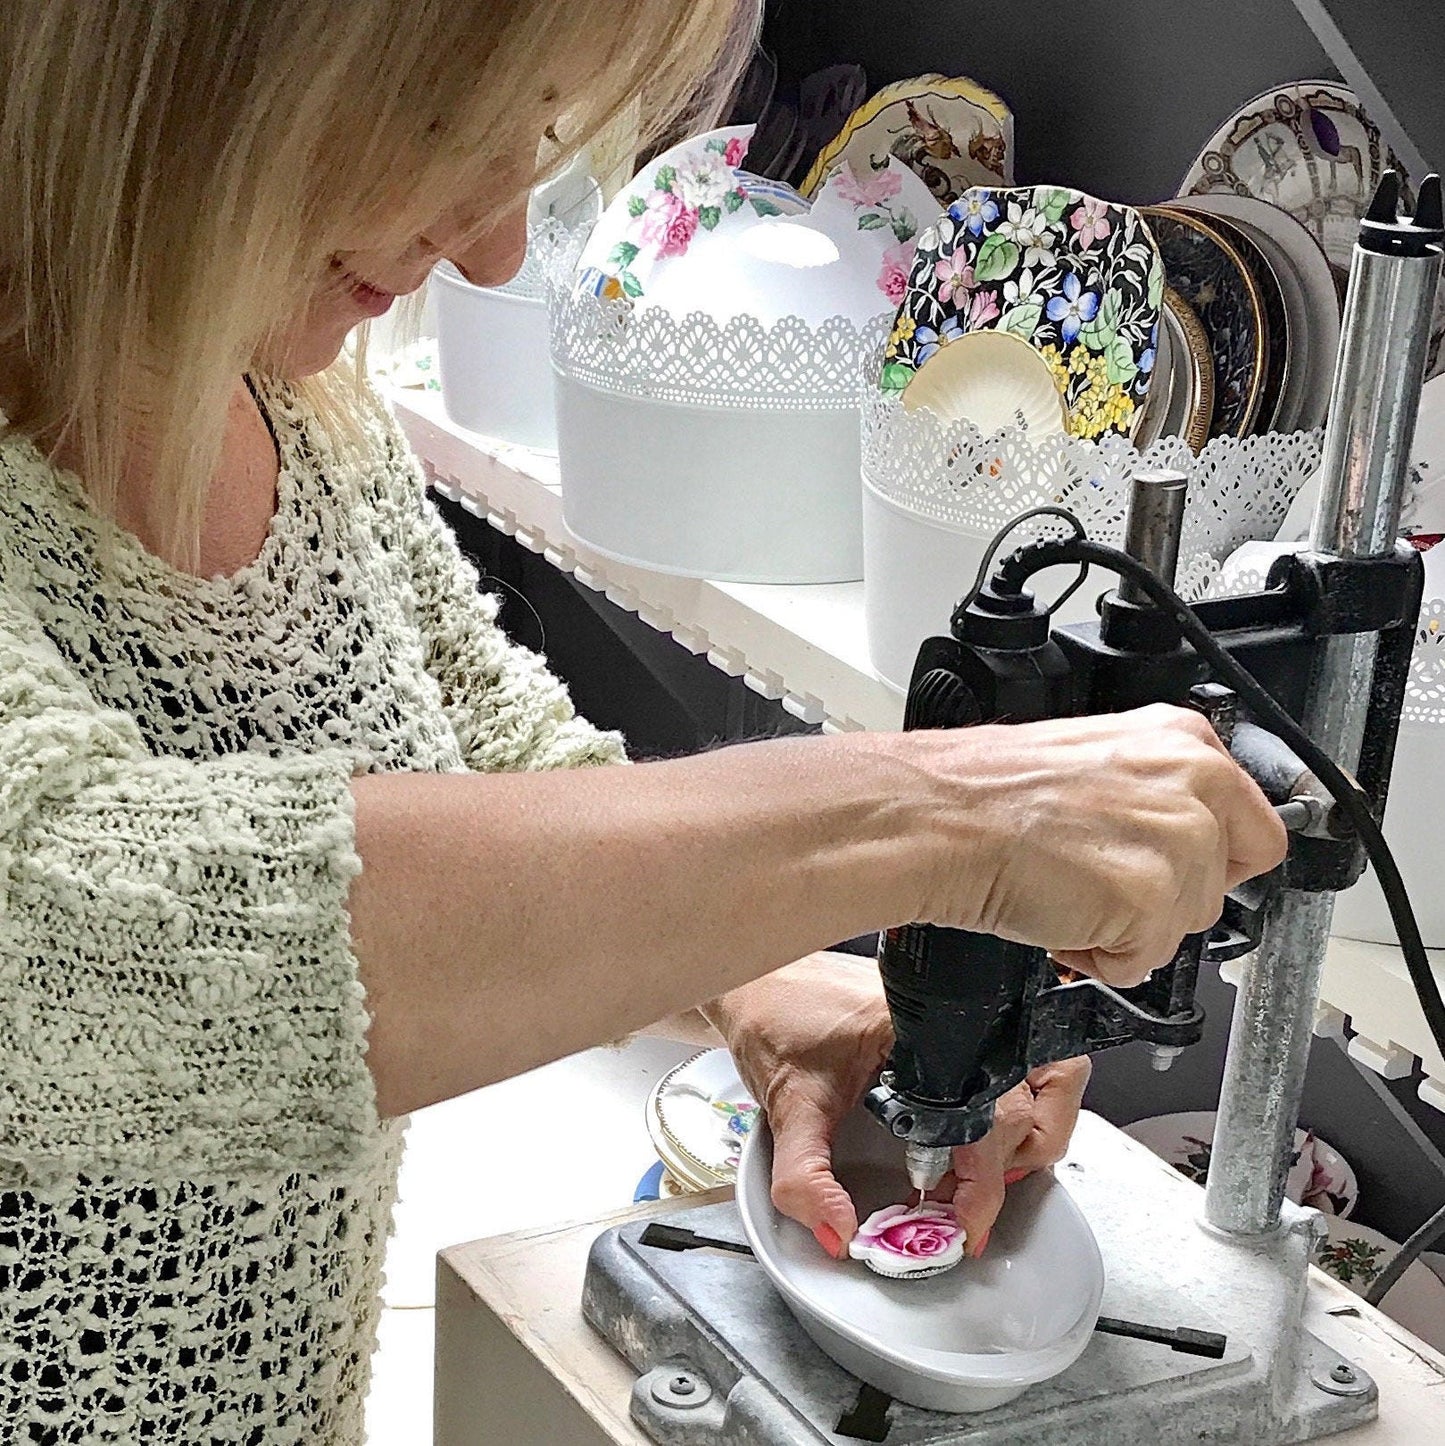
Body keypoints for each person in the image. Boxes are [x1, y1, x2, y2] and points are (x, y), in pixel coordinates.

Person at [0, 2, 1286, 1440]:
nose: (493, 250)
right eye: (447, 122)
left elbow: (498, 758)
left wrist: (766, 985)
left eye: (533, 136)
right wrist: (939, 818)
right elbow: (85, 932)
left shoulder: (281, 394)